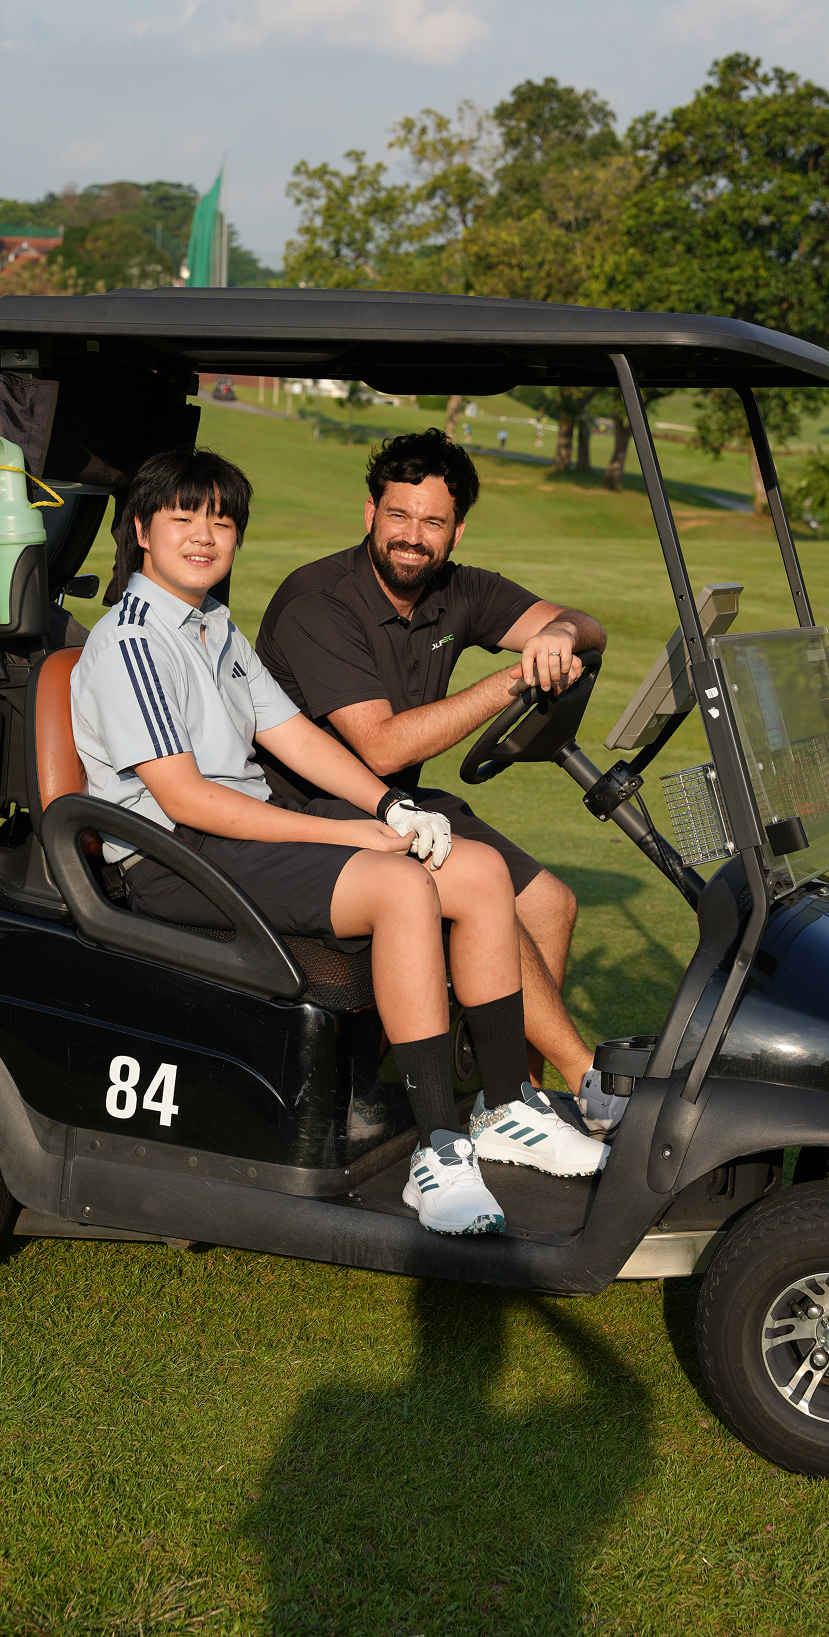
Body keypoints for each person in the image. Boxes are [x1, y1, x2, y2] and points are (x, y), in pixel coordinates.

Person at [70, 447, 604, 1239]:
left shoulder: (213, 625)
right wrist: (345, 831)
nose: (204, 536)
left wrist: (390, 809)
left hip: (233, 840)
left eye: (221, 520)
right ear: (142, 530)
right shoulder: (136, 640)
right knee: (402, 887)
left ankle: (506, 1108)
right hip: (171, 857)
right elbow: (186, 799)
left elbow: (293, 737)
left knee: (477, 868)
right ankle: (439, 1151)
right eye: (182, 518)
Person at [255, 428, 621, 1131]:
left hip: (400, 809)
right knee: (479, 878)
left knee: (550, 904)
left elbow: (586, 623)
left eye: (433, 522)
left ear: (456, 531)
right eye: (398, 515)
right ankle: (582, 1081)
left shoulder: (458, 591)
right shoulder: (319, 603)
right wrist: (515, 676)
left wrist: (562, 636)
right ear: (370, 514)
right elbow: (383, 748)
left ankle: (512, 1102)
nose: (412, 537)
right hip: (314, 815)